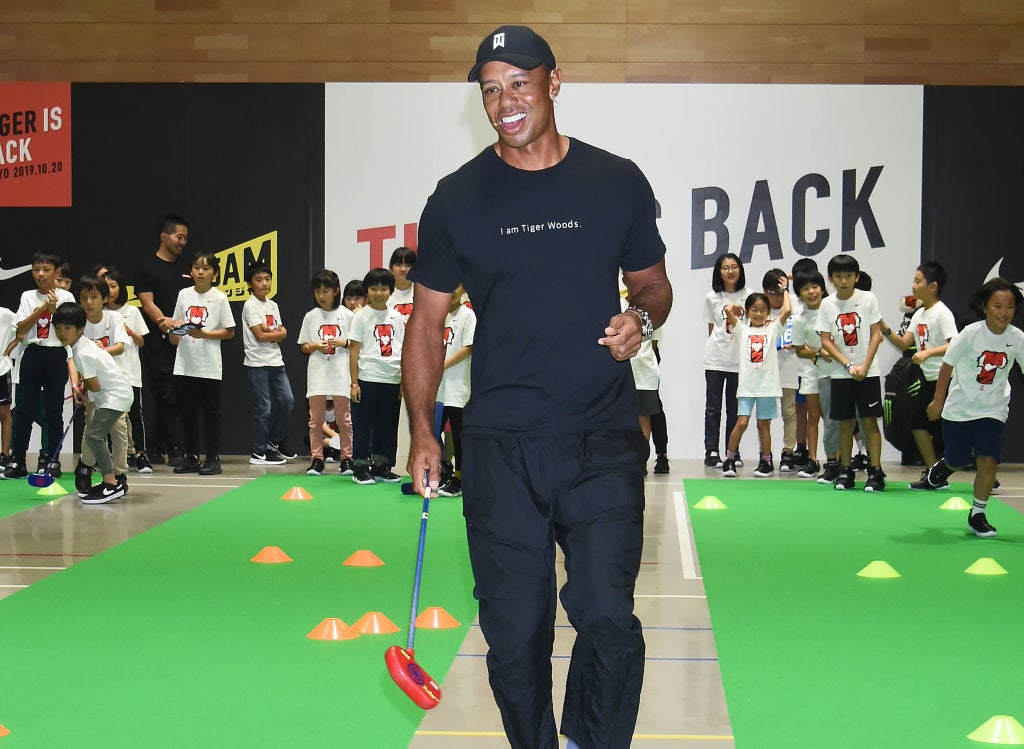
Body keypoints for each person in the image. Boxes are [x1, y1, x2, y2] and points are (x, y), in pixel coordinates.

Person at [403, 25, 672, 749]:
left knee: (607, 614)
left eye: (519, 82)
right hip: (500, 445)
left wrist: (641, 318)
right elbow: (426, 323)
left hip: (603, 437)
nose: (505, 101)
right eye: (491, 89)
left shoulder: (616, 180)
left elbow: (654, 285)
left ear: (555, 82)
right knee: (515, 629)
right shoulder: (456, 198)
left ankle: (591, 739)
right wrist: (424, 432)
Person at [917, 278, 1024, 537]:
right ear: (984, 306)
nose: (1004, 312)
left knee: (988, 461)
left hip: (993, 410)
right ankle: (944, 468)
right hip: (960, 410)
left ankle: (977, 514)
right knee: (957, 459)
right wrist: (938, 401)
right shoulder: (970, 334)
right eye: (997, 306)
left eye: (1009, 307)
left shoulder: (1018, 338)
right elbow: (947, 366)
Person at [878, 261, 958, 488]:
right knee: (917, 423)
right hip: (926, 378)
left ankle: (986, 469)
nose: (913, 286)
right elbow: (904, 343)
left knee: (955, 429)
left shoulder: (942, 313)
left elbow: (955, 344)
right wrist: (884, 328)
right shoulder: (920, 313)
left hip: (946, 379)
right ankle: (934, 473)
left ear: (932, 286)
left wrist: (928, 352)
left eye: (917, 281)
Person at [1, 252, 76, 480]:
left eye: (46, 269)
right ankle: (18, 460)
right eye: (36, 269)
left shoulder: (66, 297)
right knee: (23, 409)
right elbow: (21, 329)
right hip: (32, 352)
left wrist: (55, 312)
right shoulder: (27, 296)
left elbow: (69, 330)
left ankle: (50, 460)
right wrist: (43, 308)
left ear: (57, 272)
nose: (40, 274)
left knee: (53, 410)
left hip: (55, 354)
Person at [815, 255, 886, 491]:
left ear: (856, 277)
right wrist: (848, 365)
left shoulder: (868, 299)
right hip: (841, 374)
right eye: (838, 276)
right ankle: (845, 471)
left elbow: (876, 334)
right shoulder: (827, 304)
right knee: (845, 424)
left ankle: (875, 471)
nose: (843, 281)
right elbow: (825, 340)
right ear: (831, 279)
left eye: (848, 276)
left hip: (868, 372)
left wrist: (864, 365)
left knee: (869, 422)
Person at [53, 302, 133, 504]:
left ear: (80, 329)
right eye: (58, 328)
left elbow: (95, 386)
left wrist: (84, 389)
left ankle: (111, 484)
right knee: (95, 435)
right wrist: (84, 390)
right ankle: (111, 481)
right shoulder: (82, 346)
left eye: (67, 328)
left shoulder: (82, 353)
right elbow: (94, 383)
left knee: (94, 435)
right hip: (113, 394)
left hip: (115, 396)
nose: (62, 333)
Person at [169, 251, 235, 475]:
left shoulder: (220, 298)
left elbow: (230, 332)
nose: (200, 272)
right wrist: (175, 329)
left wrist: (204, 334)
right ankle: (192, 457)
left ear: (215, 273)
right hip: (184, 364)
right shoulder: (183, 295)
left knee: (211, 414)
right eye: (197, 267)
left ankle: (213, 458)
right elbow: (175, 334)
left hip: (209, 365)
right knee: (187, 414)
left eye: (206, 268)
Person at [135, 214, 192, 467]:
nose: (183, 242)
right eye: (179, 237)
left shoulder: (187, 268)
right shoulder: (147, 267)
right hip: (158, 342)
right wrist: (165, 323)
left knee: (179, 395)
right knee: (166, 394)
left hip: (185, 340)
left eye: (185, 238)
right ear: (164, 237)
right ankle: (175, 447)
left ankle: (155, 444)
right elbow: (147, 303)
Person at [721, 279, 791, 478]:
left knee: (763, 425)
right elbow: (727, 311)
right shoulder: (742, 330)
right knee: (742, 422)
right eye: (754, 310)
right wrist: (735, 307)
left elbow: (787, 311)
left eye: (762, 310)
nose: (758, 314)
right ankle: (729, 459)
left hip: (767, 387)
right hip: (747, 387)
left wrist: (785, 289)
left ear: (768, 312)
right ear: (748, 311)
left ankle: (766, 462)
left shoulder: (773, 329)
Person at [72, 274, 131, 497]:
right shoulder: (78, 323)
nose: (88, 302)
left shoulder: (113, 318)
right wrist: (76, 384)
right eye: (84, 297)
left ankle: (119, 473)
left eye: (94, 297)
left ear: (104, 298)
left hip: (114, 384)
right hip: (91, 384)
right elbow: (72, 358)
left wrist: (99, 351)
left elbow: (120, 346)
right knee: (92, 427)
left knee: (118, 428)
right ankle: (86, 465)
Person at [348, 267, 404, 485]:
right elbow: (354, 350)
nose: (379, 293)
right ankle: (360, 467)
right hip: (367, 378)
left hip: (392, 379)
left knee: (387, 426)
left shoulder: (397, 317)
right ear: (367, 291)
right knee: (363, 426)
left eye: (383, 288)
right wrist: (354, 383)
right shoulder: (361, 316)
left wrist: (402, 381)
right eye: (374, 288)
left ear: (391, 290)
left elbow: (403, 350)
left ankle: (382, 466)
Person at [297, 269, 354, 477]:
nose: (321, 296)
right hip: (318, 374)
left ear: (336, 291)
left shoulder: (347, 315)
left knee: (344, 420)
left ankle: (347, 459)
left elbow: (356, 345)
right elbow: (303, 346)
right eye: (317, 291)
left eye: (325, 291)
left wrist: (343, 343)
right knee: (315, 420)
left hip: (340, 374)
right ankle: (317, 459)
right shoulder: (310, 316)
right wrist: (315, 346)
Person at [241, 264, 295, 466]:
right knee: (264, 407)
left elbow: (283, 332)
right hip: (257, 362)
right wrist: (274, 333)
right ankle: (258, 451)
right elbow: (260, 335)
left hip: (276, 360)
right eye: (258, 280)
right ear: (250, 284)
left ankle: (273, 442)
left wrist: (272, 332)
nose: (264, 283)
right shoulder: (250, 305)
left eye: (267, 279)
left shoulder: (273, 305)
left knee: (287, 401)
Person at [702, 252, 751, 468]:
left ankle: (733, 451)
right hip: (715, 359)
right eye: (725, 267)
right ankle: (711, 450)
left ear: (740, 269)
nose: (730, 271)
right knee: (713, 408)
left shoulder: (750, 295)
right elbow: (711, 329)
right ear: (718, 272)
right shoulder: (712, 297)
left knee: (735, 410)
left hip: (740, 361)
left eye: (734, 267)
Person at [102, 266, 153, 474]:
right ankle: (109, 457)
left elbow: (142, 341)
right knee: (107, 415)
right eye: (105, 286)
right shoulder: (99, 314)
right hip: (107, 373)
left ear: (120, 288)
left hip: (130, 371)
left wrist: (129, 331)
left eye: (113, 286)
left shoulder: (132, 311)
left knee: (134, 414)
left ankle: (140, 455)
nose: (110, 290)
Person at [791, 271, 838, 479]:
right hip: (811, 372)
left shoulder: (833, 311)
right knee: (813, 416)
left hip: (834, 371)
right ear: (799, 294)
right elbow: (800, 350)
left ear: (822, 288)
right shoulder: (800, 319)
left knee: (832, 418)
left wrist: (831, 354)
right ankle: (813, 460)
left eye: (815, 287)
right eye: (805, 289)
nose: (811, 292)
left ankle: (834, 461)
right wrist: (818, 353)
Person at [436, 282, 476, 497]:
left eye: (456, 286)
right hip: (437, 388)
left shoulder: (467, 315)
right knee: (432, 433)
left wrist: (441, 365)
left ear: (463, 290)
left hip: (458, 387)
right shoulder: (436, 316)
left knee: (460, 436)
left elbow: (468, 347)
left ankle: (460, 479)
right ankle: (440, 471)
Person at [763, 268, 801, 472]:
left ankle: (788, 451)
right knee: (766, 413)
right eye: (773, 293)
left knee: (789, 411)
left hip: (789, 364)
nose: (777, 298)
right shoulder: (759, 307)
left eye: (780, 293)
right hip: (767, 368)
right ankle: (765, 453)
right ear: (765, 291)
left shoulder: (795, 303)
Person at [0, 295, 14, 467]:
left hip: (1, 370)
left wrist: (10, 346)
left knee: (4, 413)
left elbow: (22, 327)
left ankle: (4, 455)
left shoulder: (4, 314)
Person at [387, 246, 416, 318]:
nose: (403, 269)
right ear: (391, 267)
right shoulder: (383, 293)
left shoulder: (422, 293)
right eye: (398, 265)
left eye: (408, 265)